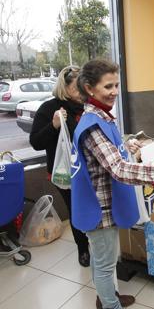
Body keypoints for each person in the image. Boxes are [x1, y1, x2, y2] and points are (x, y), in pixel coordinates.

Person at [72, 59, 154, 309]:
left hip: (105, 204)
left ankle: (107, 298)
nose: (115, 91)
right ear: (90, 88)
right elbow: (118, 169)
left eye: (117, 85)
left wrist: (126, 145)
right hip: (98, 209)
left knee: (106, 258)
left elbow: (110, 154)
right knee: (103, 263)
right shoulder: (92, 125)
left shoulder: (102, 118)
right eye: (108, 86)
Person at [30, 66, 91, 267]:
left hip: (89, 169)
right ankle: (83, 249)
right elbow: (36, 142)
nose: (82, 93)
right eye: (77, 89)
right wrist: (54, 125)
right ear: (64, 88)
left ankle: (96, 243)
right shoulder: (50, 109)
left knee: (92, 206)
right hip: (65, 173)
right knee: (76, 209)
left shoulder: (87, 107)